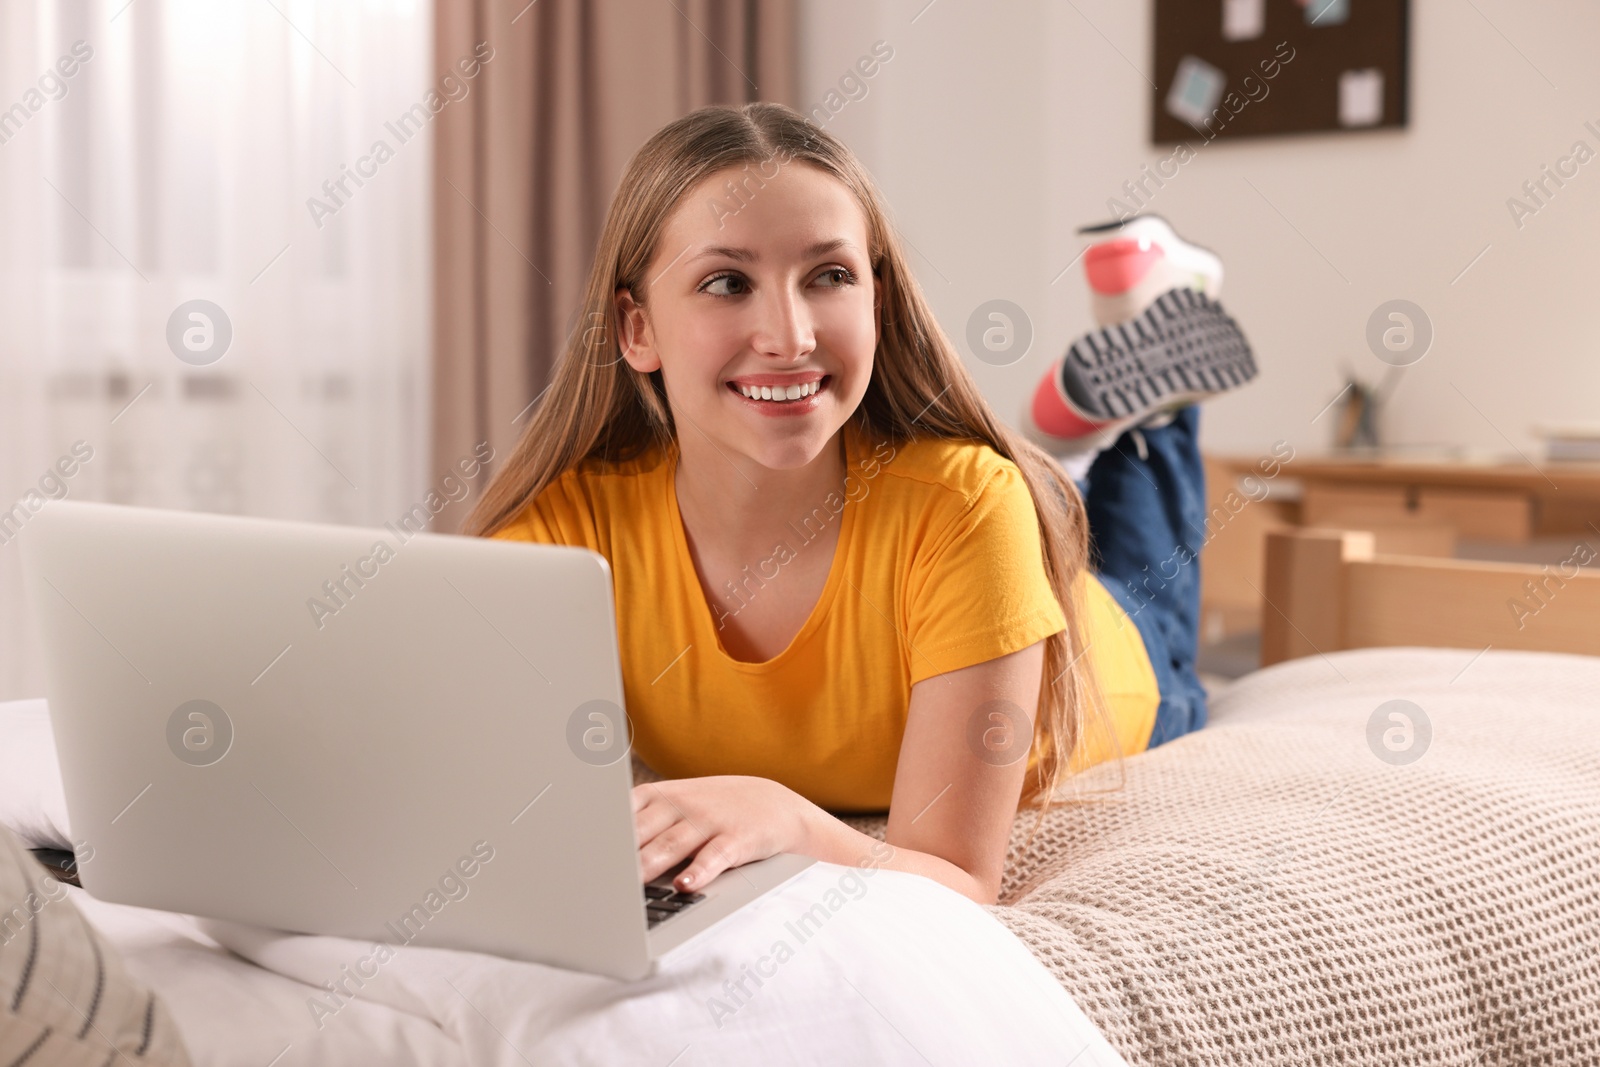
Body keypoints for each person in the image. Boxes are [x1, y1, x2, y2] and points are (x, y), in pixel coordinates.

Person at [465, 103, 1254, 907]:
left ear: (876, 296)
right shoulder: (567, 532)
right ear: (637, 329)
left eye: (829, 275)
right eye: (727, 282)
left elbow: (957, 879)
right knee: (1051, 504)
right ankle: (1083, 451)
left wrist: (790, 819)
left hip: (1125, 657)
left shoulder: (969, 504)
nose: (791, 334)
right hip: (997, 550)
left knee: (1148, 584)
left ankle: (1158, 399)